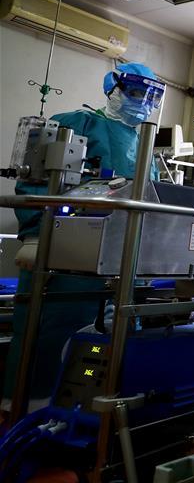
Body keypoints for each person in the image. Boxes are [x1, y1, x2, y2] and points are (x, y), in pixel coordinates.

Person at [5, 62, 164, 403]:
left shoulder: (145, 146)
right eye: (136, 92)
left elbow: (150, 202)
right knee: (50, 333)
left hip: (119, 261)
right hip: (66, 259)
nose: (144, 102)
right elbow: (36, 178)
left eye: (152, 96)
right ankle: (28, 408)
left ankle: (86, 411)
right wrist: (34, 235)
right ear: (113, 89)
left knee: (101, 346)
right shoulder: (77, 123)